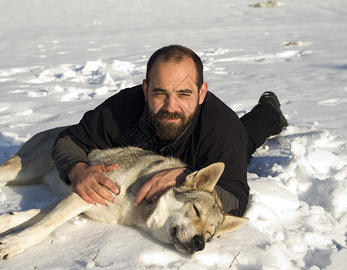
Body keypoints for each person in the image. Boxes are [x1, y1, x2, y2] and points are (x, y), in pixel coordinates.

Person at [52, 45, 288, 217]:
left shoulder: (223, 131)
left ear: (202, 93)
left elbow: (235, 200)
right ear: (145, 90)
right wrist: (77, 169)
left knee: (245, 139)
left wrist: (186, 178)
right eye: (160, 93)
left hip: (222, 145)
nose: (170, 106)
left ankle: (268, 110)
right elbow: (69, 139)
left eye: (184, 94)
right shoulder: (123, 109)